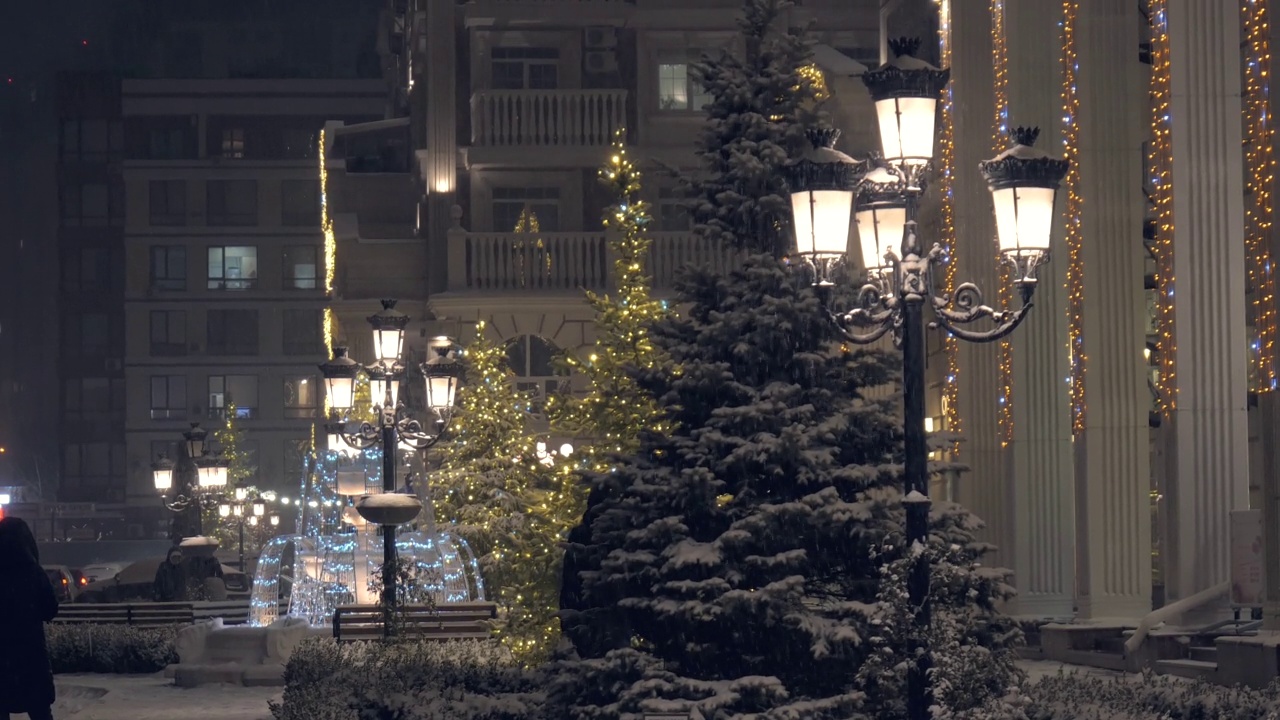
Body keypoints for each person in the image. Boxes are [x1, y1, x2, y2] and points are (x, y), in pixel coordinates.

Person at [0, 517, 59, 720]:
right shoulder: (34, 573)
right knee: (40, 710)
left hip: (2, 658)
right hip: (31, 655)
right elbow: (50, 609)